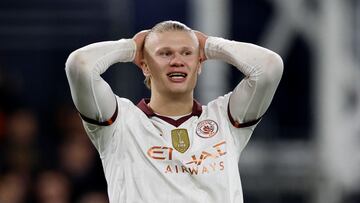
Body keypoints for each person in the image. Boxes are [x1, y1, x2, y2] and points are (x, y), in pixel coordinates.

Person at [65, 20, 283, 203]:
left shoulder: (224, 119)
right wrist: (131, 47)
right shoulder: (120, 123)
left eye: (187, 53)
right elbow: (80, 66)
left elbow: (269, 67)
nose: (177, 61)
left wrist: (209, 45)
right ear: (145, 66)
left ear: (199, 64)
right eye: (165, 53)